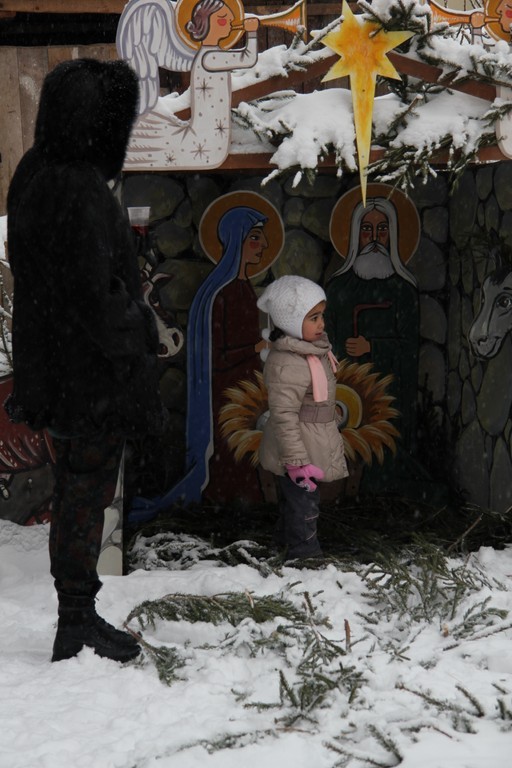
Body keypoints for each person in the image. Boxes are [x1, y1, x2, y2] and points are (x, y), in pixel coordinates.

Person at [5, 58, 167, 662]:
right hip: (90, 375)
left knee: (77, 490)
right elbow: (93, 297)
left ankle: (76, 615)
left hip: (57, 366)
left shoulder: (35, 172)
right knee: (85, 494)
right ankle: (76, 621)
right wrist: (140, 330)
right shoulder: (77, 189)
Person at [257, 276, 348, 559]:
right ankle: (304, 554)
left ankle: (284, 544)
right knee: (303, 503)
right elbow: (284, 415)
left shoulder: (313, 351)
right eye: (313, 318)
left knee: (295, 500)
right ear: (292, 322)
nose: (321, 324)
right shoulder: (289, 362)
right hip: (297, 446)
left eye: (322, 316)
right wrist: (296, 460)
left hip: (311, 438)